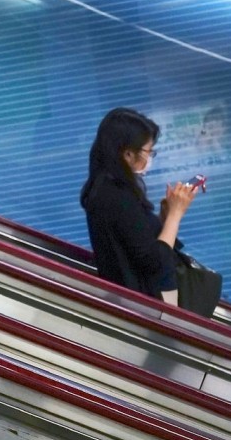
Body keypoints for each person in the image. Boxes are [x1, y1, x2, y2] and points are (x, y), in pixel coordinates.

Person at [80, 107, 198, 303]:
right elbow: (155, 261)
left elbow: (137, 240)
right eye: (148, 151)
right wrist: (176, 214)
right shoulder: (118, 197)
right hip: (149, 303)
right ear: (128, 154)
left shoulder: (105, 189)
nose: (150, 157)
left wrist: (164, 218)